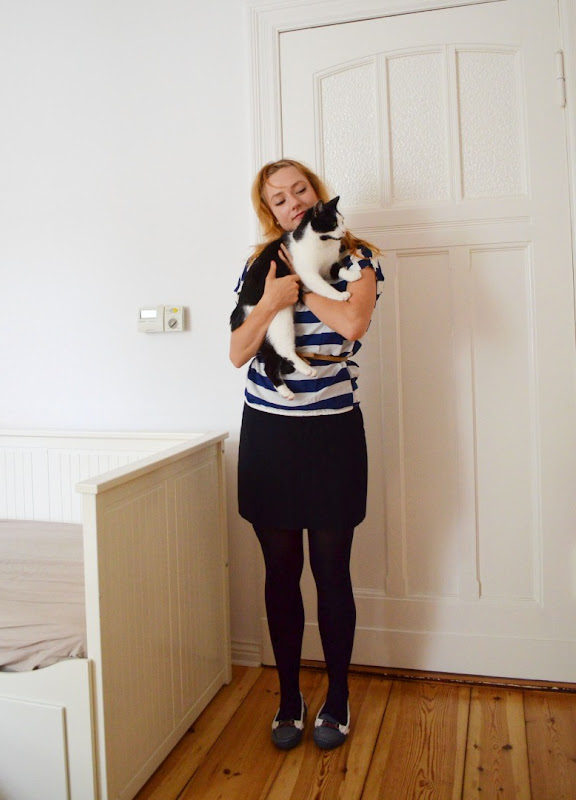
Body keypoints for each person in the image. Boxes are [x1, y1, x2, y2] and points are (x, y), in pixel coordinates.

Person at [230, 158, 384, 751]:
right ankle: (289, 697)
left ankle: (338, 695)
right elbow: (238, 352)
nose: (293, 202)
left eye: (300, 190)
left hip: (332, 434)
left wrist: (301, 279)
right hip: (269, 434)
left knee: (332, 572)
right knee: (280, 573)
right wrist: (272, 298)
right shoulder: (259, 265)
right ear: (269, 211)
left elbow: (352, 322)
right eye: (279, 198)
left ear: (316, 193)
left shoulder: (357, 259)